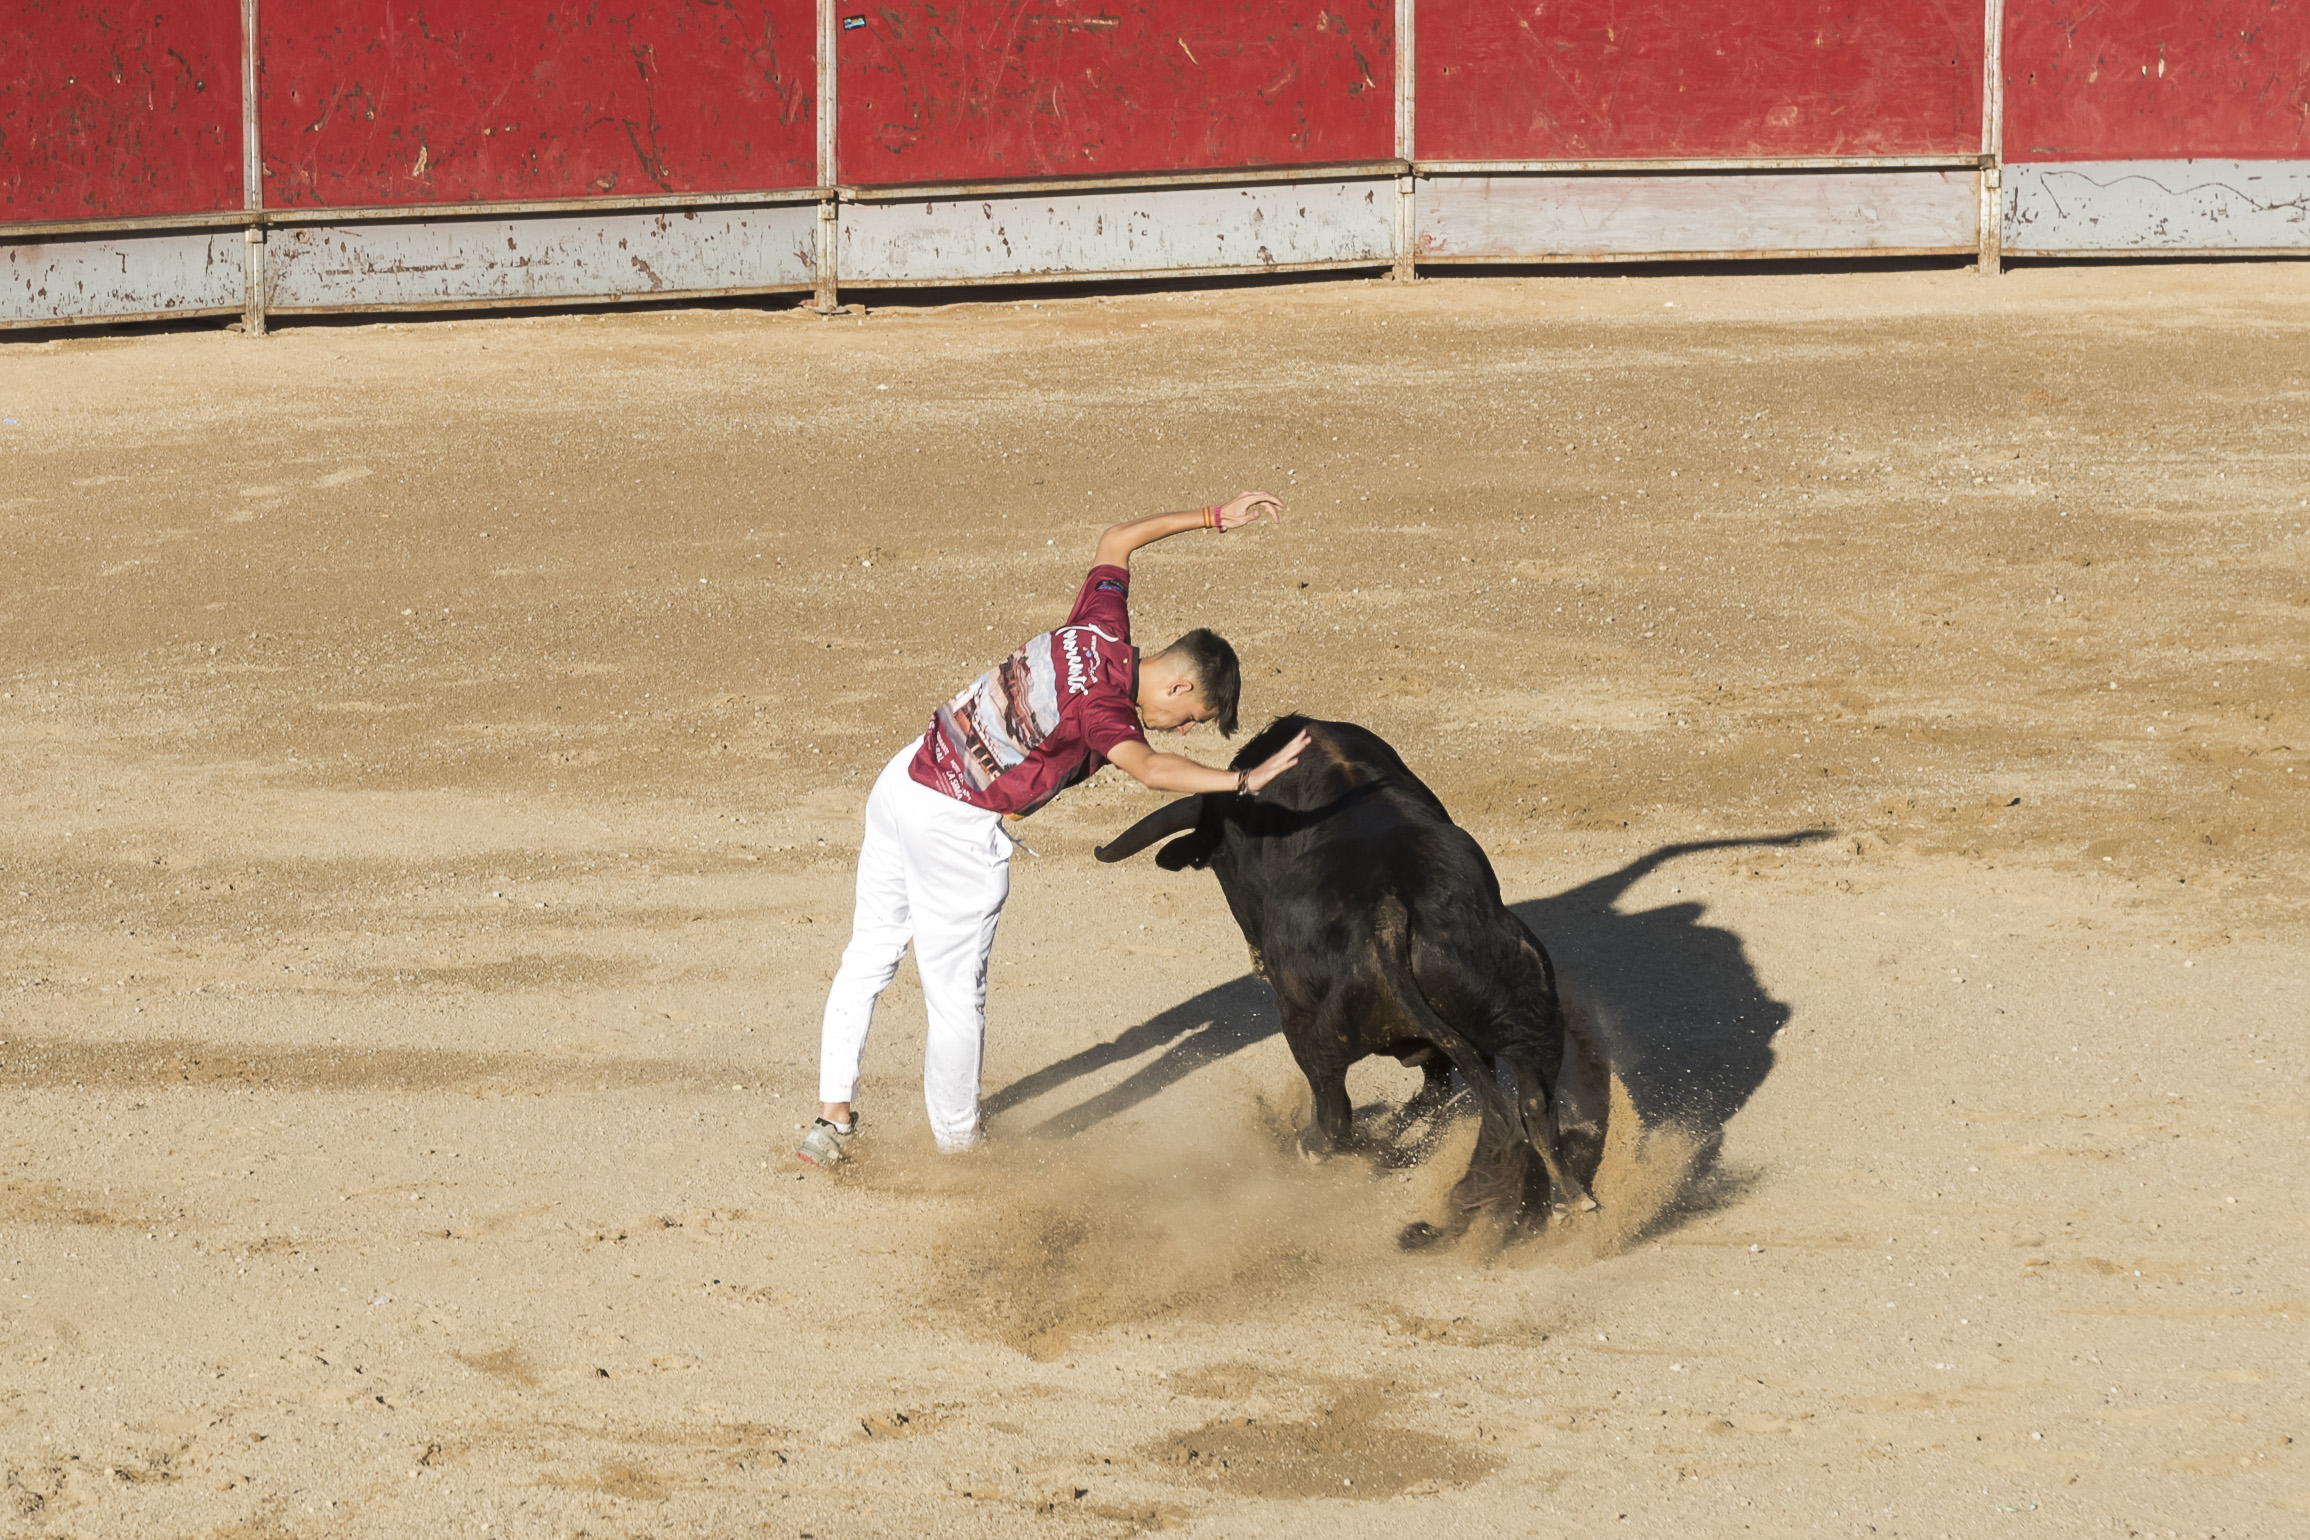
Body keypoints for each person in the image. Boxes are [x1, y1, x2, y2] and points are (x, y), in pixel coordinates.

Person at [797, 492, 1312, 1165]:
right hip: (953, 826)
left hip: (905, 779)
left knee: (868, 955)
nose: (1183, 729)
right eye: (1192, 718)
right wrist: (1240, 781)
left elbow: (1118, 538)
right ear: (1182, 688)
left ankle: (831, 1121)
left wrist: (1214, 517)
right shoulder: (1107, 710)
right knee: (956, 1000)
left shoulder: (1097, 628)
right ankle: (960, 1152)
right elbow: (1151, 770)